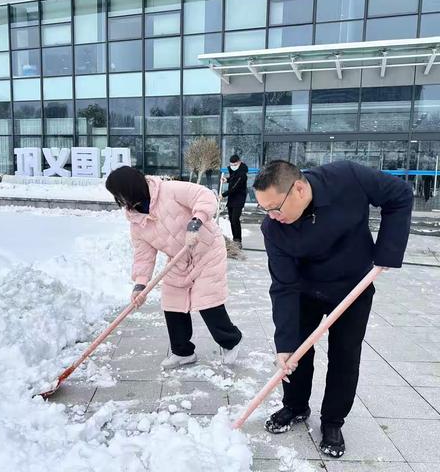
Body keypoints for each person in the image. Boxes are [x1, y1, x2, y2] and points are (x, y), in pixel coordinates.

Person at [253, 160, 413, 458]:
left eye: (275, 207)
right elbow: (283, 286)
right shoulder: (273, 229)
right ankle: (296, 406)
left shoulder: (347, 177)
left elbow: (400, 194)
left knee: (345, 355)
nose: (272, 217)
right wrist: (284, 344)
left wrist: (387, 251)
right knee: (298, 352)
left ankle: (332, 422)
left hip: (353, 287)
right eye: (265, 210)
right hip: (304, 289)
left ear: (298, 188)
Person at [105, 166, 242, 369]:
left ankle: (231, 341)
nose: (120, 199)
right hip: (178, 259)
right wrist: (140, 285)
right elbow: (143, 255)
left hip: (207, 249)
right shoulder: (137, 221)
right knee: (172, 302)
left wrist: (195, 223)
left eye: (119, 193)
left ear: (130, 188)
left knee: (207, 300)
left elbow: (205, 196)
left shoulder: (169, 190)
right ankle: (182, 352)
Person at [221, 154, 248, 248]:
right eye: (231, 164)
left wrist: (222, 195)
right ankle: (235, 239)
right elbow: (233, 179)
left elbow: (235, 188)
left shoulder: (242, 174)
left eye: (235, 164)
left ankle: (238, 240)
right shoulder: (234, 170)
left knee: (235, 219)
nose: (233, 166)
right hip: (232, 198)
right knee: (232, 219)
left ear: (239, 162)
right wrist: (226, 179)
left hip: (239, 198)